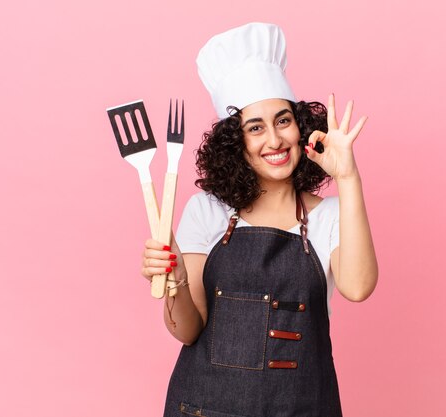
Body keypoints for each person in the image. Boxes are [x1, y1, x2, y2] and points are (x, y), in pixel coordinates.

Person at [141, 22, 378, 417]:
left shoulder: (330, 216)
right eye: (256, 128)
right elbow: (187, 330)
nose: (275, 140)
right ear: (236, 144)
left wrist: (347, 177)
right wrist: (174, 278)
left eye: (283, 121)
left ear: (300, 127)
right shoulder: (206, 211)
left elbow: (358, 287)